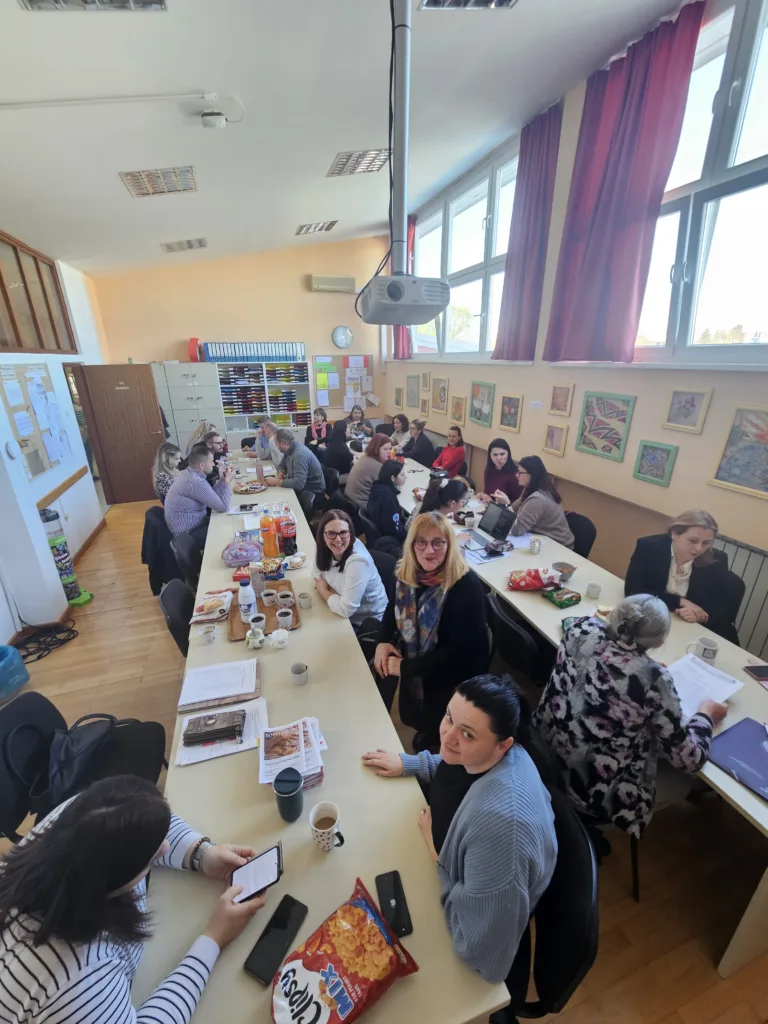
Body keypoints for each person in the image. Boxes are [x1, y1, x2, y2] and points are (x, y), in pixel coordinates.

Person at [0, 775, 266, 1024]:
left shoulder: (76, 819)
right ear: (112, 881)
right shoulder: (76, 978)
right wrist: (213, 939)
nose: (165, 847)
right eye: (151, 857)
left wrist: (200, 854)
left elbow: (143, 823)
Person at [362, 675, 557, 985]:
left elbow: (477, 950)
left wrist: (436, 854)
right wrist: (411, 764)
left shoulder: (500, 834)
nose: (447, 737)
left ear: (503, 745)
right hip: (470, 868)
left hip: (478, 920)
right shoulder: (494, 751)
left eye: (467, 734)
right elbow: (452, 762)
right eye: (449, 718)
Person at [532, 595, 727, 840]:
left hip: (544, 755)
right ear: (660, 641)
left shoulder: (580, 627)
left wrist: (643, 667)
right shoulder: (653, 679)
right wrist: (706, 713)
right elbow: (690, 760)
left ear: (614, 616)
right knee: (683, 781)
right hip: (589, 795)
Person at [373, 511, 489, 748]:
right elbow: (392, 606)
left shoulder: (465, 587)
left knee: (441, 725)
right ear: (412, 545)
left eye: (438, 543)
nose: (429, 550)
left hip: (455, 674)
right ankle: (429, 730)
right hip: (421, 663)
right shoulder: (405, 572)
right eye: (421, 542)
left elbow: (454, 654)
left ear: (449, 545)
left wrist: (406, 667)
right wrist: (383, 640)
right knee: (418, 716)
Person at [625, 510, 740, 644]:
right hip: (651, 621)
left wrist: (701, 617)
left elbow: (720, 606)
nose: (699, 548)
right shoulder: (649, 547)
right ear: (674, 533)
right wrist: (679, 601)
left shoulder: (717, 560)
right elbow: (633, 591)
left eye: (706, 543)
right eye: (693, 541)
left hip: (689, 631)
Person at [313, 510, 388, 628]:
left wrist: (324, 591)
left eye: (343, 532)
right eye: (331, 533)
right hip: (340, 613)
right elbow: (316, 574)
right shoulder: (324, 547)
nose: (338, 539)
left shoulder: (358, 561)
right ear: (323, 536)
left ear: (350, 533)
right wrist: (336, 598)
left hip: (365, 623)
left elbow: (345, 610)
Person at [164, 444, 232, 544]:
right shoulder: (194, 482)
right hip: (188, 534)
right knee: (229, 531)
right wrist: (227, 481)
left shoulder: (188, 473)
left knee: (227, 522)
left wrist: (222, 479)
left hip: (194, 524)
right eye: (211, 461)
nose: (213, 464)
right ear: (202, 465)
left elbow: (212, 495)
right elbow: (222, 507)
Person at [509, 455, 574, 548]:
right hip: (542, 540)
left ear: (531, 475)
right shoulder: (529, 489)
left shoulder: (538, 499)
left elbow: (517, 530)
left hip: (559, 546)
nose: (516, 475)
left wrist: (507, 506)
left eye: (520, 472)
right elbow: (514, 508)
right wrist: (505, 504)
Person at [265, 428, 325, 511]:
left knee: (275, 502)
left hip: (312, 492)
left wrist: (276, 481)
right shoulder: (289, 449)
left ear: (283, 443)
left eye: (276, 443)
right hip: (303, 487)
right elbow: (281, 466)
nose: (276, 446)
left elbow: (298, 484)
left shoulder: (299, 455)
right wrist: (281, 473)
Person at [344, 433, 393, 509]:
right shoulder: (377, 466)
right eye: (385, 449)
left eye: (390, 449)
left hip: (350, 499)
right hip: (362, 506)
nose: (389, 452)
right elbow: (389, 489)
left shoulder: (364, 457)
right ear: (376, 449)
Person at [367, 461, 409, 546]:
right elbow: (395, 529)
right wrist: (409, 533)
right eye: (402, 475)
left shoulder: (377, 487)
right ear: (393, 478)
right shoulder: (389, 499)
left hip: (381, 528)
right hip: (390, 538)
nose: (405, 476)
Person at [477, 437, 521, 505]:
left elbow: (519, 503)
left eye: (502, 454)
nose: (499, 458)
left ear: (508, 454)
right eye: (495, 455)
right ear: (490, 455)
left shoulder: (515, 474)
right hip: (489, 506)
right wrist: (483, 496)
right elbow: (488, 492)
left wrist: (494, 502)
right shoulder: (489, 469)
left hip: (507, 509)